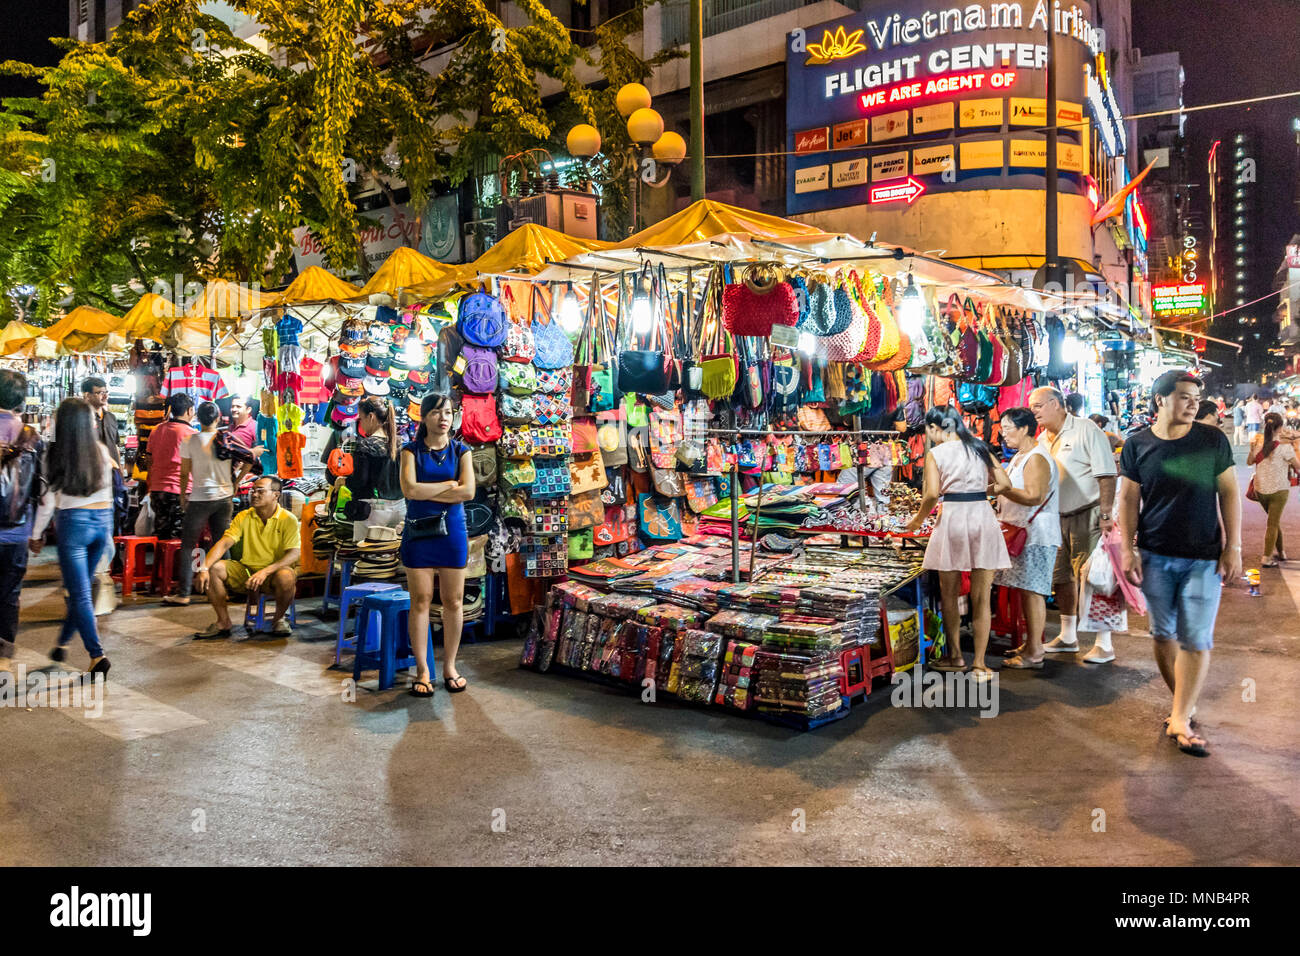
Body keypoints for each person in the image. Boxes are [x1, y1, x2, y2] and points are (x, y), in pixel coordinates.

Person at [1117, 370, 1240, 758]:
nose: (1194, 404)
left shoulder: (1212, 440)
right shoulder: (1137, 446)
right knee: (1161, 634)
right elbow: (1127, 500)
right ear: (1160, 399)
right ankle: (1181, 706)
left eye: (1196, 397)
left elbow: (1230, 493)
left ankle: (1182, 718)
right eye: (1185, 397)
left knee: (1196, 638)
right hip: (1155, 554)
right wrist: (1127, 547)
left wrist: (1232, 546)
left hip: (1203, 557)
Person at [903, 405, 1011, 680]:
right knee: (981, 597)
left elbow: (930, 496)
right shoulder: (979, 447)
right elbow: (1005, 484)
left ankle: (956, 656)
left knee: (949, 595)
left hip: (952, 517)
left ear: (934, 427)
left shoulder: (936, 454)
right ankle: (980, 665)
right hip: (981, 516)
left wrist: (916, 522)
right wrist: (979, 490)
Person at [1030, 386, 1119, 663]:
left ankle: (1104, 643)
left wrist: (1106, 514)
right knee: (1062, 577)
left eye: (1038, 406)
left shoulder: (1086, 430)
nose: (1033, 412)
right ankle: (1068, 636)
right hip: (1056, 517)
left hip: (1088, 513)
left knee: (1096, 577)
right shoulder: (1042, 440)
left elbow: (1107, 474)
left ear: (1056, 404)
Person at [29, 398, 116, 679]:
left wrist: (36, 534)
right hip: (101, 524)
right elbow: (110, 496)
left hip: (74, 525)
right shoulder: (102, 452)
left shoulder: (54, 454)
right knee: (81, 593)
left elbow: (46, 501)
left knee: (78, 594)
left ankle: (96, 656)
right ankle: (62, 644)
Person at [399, 393, 475, 696]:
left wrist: (426, 491)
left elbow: (468, 492)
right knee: (420, 601)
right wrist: (447, 486)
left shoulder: (462, 451)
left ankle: (450, 666)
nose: (444, 418)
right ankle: (423, 669)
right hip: (419, 533)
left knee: (453, 602)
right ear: (424, 417)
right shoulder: (410, 451)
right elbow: (409, 489)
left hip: (453, 533)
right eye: (437, 412)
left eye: (448, 412)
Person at [164, 402, 255, 606]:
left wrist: (182, 496)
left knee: (188, 545)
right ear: (217, 418)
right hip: (224, 498)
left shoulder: (190, 440)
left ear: (198, 417)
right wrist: (236, 481)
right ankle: (230, 589)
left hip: (199, 498)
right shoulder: (227, 439)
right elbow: (250, 457)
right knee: (222, 543)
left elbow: (185, 472)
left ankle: (184, 594)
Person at [192, 475, 300, 639]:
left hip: (273, 575)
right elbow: (224, 543)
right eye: (253, 490)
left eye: (260, 491)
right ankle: (223, 622)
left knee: (286, 576)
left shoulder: (288, 519)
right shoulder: (243, 516)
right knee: (215, 569)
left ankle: (279, 619)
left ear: (275, 495)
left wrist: (265, 572)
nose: (254, 494)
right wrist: (204, 567)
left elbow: (294, 553)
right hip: (247, 572)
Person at [994, 406, 1060, 669]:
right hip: (1022, 531)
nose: (1003, 434)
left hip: (1036, 534)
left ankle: (1035, 653)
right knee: (1025, 590)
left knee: (1033, 592)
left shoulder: (1037, 458)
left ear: (1024, 429)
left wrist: (1003, 489)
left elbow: (1034, 496)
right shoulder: (1020, 456)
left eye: (1007, 428)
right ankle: (1031, 643)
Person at [0, 371, 42, 675]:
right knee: (10, 594)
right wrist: (37, 531)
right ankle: (3, 657)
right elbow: (39, 489)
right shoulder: (30, 435)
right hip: (17, 531)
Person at [335, 396, 404, 543]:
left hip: (373, 510)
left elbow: (360, 481)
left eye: (361, 418)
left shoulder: (366, 445)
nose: (361, 423)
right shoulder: (401, 444)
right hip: (401, 508)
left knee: (366, 559)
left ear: (371, 417)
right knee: (391, 557)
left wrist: (344, 481)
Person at [1248, 411, 1298, 567]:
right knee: (1273, 524)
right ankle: (1266, 558)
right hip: (1279, 491)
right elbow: (1298, 467)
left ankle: (1281, 552)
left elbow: (1250, 462)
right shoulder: (1285, 448)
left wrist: (1252, 450)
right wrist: (1296, 447)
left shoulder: (1258, 443)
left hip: (1260, 490)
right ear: (1280, 428)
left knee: (1273, 521)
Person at [146, 393, 196, 540]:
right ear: (189, 411)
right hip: (181, 492)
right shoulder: (191, 434)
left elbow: (149, 461)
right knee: (179, 538)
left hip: (157, 490)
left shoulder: (156, 430)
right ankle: (175, 564)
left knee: (162, 534)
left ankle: (160, 563)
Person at [81, 376, 120, 465]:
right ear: (87, 395)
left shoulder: (111, 418)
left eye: (106, 392)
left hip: (112, 472)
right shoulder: (81, 419)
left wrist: (120, 473)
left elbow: (115, 446)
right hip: (93, 472)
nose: (105, 396)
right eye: (100, 393)